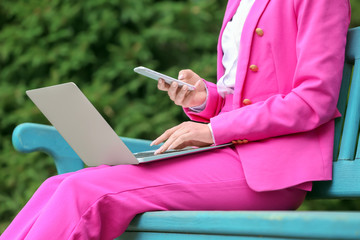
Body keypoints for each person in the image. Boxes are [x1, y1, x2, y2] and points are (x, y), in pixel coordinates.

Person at [1, 0, 351, 239]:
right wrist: (206, 99)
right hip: (232, 158)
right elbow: (246, 96)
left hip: (271, 174)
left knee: (84, 191)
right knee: (57, 185)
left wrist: (213, 130)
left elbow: (313, 100)